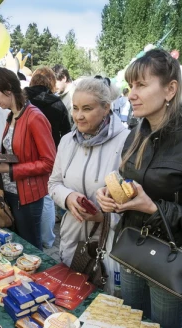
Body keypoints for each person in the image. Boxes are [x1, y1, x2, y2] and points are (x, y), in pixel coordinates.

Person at [96, 49, 182, 328]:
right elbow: (133, 184)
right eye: (131, 86)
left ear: (170, 89)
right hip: (131, 248)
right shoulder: (138, 131)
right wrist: (111, 195)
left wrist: (155, 209)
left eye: (141, 85)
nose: (131, 94)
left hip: (171, 259)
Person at [49, 77, 130, 266]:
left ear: (106, 108)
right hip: (72, 235)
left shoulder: (127, 142)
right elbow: (53, 183)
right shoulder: (67, 141)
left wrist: (104, 217)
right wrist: (68, 198)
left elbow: (133, 199)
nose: (78, 116)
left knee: (104, 294)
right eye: (75, 108)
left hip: (109, 243)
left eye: (87, 108)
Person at [0, 67, 56, 250]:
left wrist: (10, 170)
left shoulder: (34, 117)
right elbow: (16, 154)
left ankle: (37, 279)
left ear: (8, 90)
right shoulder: (12, 116)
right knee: (16, 245)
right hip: (11, 193)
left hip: (28, 196)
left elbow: (49, 162)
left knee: (30, 247)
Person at [24, 67, 71, 249]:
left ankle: (30, 237)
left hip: (25, 155)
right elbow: (66, 133)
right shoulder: (57, 104)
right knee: (47, 197)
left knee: (27, 195)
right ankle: (47, 240)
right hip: (51, 155)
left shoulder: (23, 100)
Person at [24, 67, 71, 148]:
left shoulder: (21, 100)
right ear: (52, 81)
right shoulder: (58, 104)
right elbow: (66, 133)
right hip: (51, 150)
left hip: (26, 149)